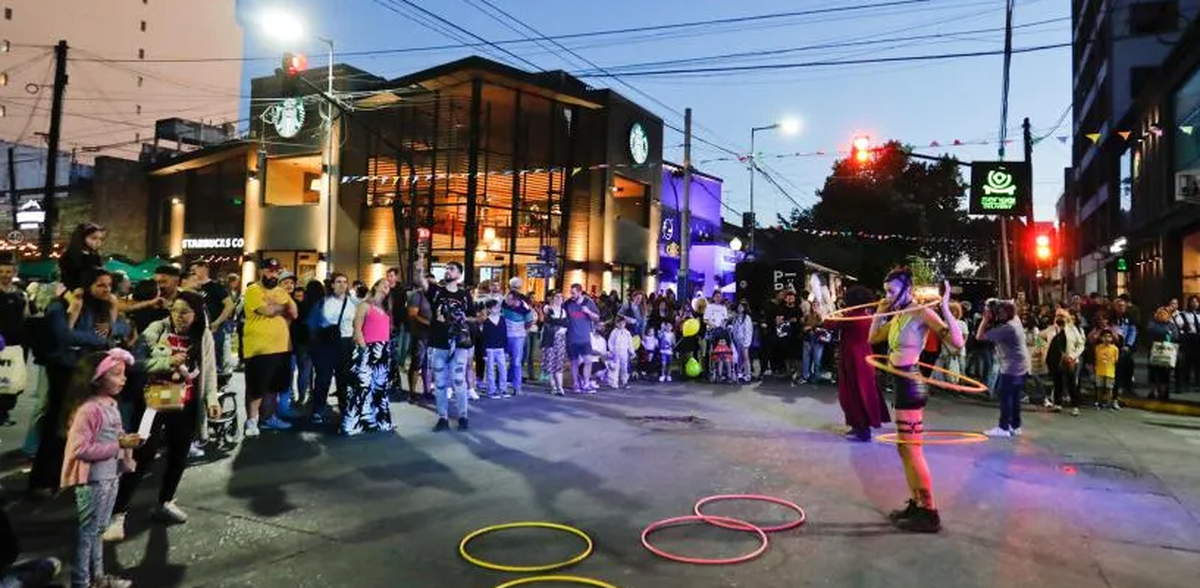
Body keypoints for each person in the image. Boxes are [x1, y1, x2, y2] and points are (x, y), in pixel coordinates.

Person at [106, 291, 220, 543]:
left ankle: (165, 502)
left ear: (197, 314)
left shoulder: (203, 335)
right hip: (155, 400)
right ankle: (117, 513)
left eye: (185, 312)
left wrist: (212, 400)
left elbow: (210, 369)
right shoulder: (156, 328)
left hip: (186, 403)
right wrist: (167, 360)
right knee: (142, 454)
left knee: (179, 454)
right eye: (175, 310)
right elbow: (136, 360)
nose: (179, 317)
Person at [867, 267, 963, 533]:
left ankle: (930, 511)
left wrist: (944, 306)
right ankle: (917, 502)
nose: (887, 295)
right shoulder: (897, 315)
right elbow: (872, 338)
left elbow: (956, 343)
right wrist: (878, 311)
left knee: (912, 449)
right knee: (903, 449)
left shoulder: (922, 313)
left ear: (907, 290)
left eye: (891, 291)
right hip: (900, 385)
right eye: (885, 291)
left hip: (911, 384)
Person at [29, 270, 126, 496]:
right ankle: (42, 480)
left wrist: (112, 325)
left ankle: (68, 476)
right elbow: (64, 335)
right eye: (100, 285)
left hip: (86, 371)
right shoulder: (60, 305)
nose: (106, 290)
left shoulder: (99, 307)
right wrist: (99, 338)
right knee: (58, 422)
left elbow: (123, 327)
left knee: (79, 425)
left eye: (109, 286)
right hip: (64, 370)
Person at [61, 349, 141, 588]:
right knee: (87, 533)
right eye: (116, 374)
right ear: (96, 378)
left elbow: (115, 436)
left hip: (110, 476)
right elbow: (79, 449)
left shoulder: (110, 405)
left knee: (98, 530)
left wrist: (127, 444)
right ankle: (81, 581)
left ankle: (98, 578)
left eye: (124, 374)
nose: (123, 379)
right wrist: (119, 444)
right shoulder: (89, 410)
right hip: (92, 480)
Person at [241, 258, 296, 437]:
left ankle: (268, 417)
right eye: (269, 271)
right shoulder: (253, 290)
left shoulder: (280, 290)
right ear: (261, 271)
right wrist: (281, 306)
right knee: (256, 388)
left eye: (275, 271)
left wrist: (276, 305)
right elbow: (267, 311)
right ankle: (252, 421)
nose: (272, 274)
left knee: (274, 387)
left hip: (281, 348)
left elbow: (294, 312)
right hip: (259, 349)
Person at [828, 285, 891, 442]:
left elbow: (828, 324)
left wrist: (829, 309)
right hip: (864, 357)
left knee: (853, 393)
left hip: (852, 358)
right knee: (864, 391)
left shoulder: (852, 317)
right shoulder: (865, 316)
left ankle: (862, 429)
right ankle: (859, 426)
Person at [341, 279, 394, 436]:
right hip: (368, 348)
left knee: (379, 387)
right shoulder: (365, 305)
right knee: (362, 387)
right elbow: (357, 328)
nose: (387, 287)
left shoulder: (385, 308)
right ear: (376, 286)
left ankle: (379, 421)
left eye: (388, 286)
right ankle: (353, 423)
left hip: (383, 349)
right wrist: (364, 348)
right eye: (384, 284)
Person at [428, 262, 476, 431]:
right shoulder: (436, 291)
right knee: (440, 383)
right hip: (439, 342)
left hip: (459, 344)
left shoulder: (464, 295)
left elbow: (473, 317)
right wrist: (419, 257)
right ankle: (443, 417)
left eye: (452, 269)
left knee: (458, 380)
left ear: (459, 274)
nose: (448, 271)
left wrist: (461, 317)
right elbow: (420, 279)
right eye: (446, 269)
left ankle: (463, 415)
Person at [978, 300, 1031, 439]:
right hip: (1021, 366)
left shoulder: (1007, 329)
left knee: (1005, 396)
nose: (1000, 315)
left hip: (1011, 368)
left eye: (1002, 312)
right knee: (1014, 397)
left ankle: (1003, 427)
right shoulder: (1016, 320)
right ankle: (1015, 425)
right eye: (999, 312)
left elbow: (980, 336)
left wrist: (985, 319)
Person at [309, 273, 357, 424]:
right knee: (324, 378)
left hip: (345, 343)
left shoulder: (353, 302)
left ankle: (344, 407)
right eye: (338, 282)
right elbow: (312, 324)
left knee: (343, 378)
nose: (342, 285)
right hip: (326, 345)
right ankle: (318, 410)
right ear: (332, 285)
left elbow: (357, 323)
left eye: (344, 282)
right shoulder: (323, 302)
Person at [0, 254, 27, 425]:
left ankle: (4, 413)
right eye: (1, 271)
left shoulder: (20, 295)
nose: (5, 274)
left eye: (8, 271)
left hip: (16, 347)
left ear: (14, 272)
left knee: (12, 382)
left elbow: (25, 317)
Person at [1045, 309, 1086, 416]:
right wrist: (1041, 349)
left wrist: (1073, 356)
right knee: (1057, 382)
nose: (1059, 318)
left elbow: (1081, 344)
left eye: (1062, 316)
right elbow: (1039, 338)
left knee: (1071, 383)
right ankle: (1058, 404)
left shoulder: (1072, 329)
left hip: (1069, 359)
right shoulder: (1051, 329)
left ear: (1066, 318)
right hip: (1055, 360)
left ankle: (1075, 406)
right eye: (1057, 316)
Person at [564, 283, 600, 393]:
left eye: (574, 293)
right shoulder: (568, 303)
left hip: (584, 337)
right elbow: (559, 312)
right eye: (571, 293)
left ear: (580, 292)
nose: (572, 295)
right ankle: (575, 383)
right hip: (572, 337)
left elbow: (597, 317)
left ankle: (586, 382)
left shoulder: (588, 302)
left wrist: (588, 312)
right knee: (574, 362)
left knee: (588, 360)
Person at [502, 281, 536, 397]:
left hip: (518, 337)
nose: (507, 301)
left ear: (516, 300)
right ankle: (503, 383)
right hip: (505, 336)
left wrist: (522, 332)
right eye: (507, 298)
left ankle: (517, 386)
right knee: (502, 361)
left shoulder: (524, 307)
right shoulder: (504, 303)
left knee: (516, 361)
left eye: (510, 299)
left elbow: (529, 322)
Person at [404, 276, 434, 403]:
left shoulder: (434, 297)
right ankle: (412, 393)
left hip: (431, 335)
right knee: (417, 363)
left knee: (429, 364)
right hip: (419, 334)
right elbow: (412, 314)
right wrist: (428, 323)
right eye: (429, 282)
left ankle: (427, 391)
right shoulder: (417, 296)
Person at [58, 222, 105, 293]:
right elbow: (68, 280)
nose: (98, 242)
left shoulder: (95, 256)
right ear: (82, 238)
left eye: (100, 239)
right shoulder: (69, 256)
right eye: (94, 238)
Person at [1145, 306, 1179, 401]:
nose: (1162, 315)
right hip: (1154, 351)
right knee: (1153, 372)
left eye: (1164, 314)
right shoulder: (1152, 324)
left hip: (1167, 353)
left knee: (1165, 374)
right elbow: (1150, 332)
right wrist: (1166, 333)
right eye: (1160, 313)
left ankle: (1163, 393)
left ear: (1168, 315)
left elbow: (1175, 336)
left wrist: (1166, 334)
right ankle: (1152, 391)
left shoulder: (1172, 325)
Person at [541, 291, 569, 396]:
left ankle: (560, 387)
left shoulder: (563, 311)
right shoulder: (548, 308)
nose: (559, 299)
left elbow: (566, 324)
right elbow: (549, 319)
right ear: (552, 298)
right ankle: (553, 387)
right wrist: (560, 322)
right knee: (550, 363)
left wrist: (558, 322)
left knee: (559, 363)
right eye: (557, 297)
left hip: (561, 338)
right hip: (550, 338)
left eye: (561, 297)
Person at [481, 299, 509, 399]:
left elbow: (505, 335)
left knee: (503, 369)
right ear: (489, 309)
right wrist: (484, 353)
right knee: (490, 370)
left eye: (498, 307)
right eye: (494, 307)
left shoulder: (502, 320)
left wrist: (506, 350)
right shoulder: (486, 322)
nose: (497, 309)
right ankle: (491, 390)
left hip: (501, 348)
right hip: (489, 349)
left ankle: (503, 389)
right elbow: (484, 338)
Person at [607, 314, 634, 389]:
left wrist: (632, 352)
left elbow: (630, 343)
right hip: (616, 352)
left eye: (623, 323)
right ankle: (614, 382)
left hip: (624, 352)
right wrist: (611, 351)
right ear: (617, 324)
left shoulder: (627, 333)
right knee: (616, 368)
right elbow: (610, 342)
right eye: (620, 323)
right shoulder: (614, 332)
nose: (622, 325)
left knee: (624, 367)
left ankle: (624, 382)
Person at [1094, 330, 1119, 409]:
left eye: (1109, 337)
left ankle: (1109, 403)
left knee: (1109, 388)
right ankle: (1099, 403)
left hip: (1110, 371)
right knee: (1099, 387)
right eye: (1105, 337)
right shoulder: (1097, 348)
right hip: (1099, 370)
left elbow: (1116, 360)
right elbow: (1095, 358)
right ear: (1101, 338)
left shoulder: (1114, 348)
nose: (1107, 339)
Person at [730, 301, 754, 382]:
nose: (740, 308)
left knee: (746, 357)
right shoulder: (736, 317)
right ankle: (740, 372)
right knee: (739, 357)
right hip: (737, 340)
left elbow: (748, 331)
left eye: (741, 307)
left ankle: (748, 373)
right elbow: (734, 329)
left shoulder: (747, 317)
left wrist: (746, 342)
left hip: (745, 341)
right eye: (739, 306)